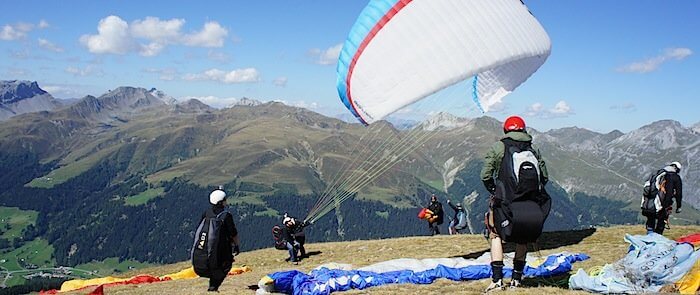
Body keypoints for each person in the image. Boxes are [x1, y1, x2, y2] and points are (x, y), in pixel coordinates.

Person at [480, 115, 550, 292]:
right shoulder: (532, 149)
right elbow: (545, 177)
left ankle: (497, 280)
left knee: (495, 234)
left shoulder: (499, 147)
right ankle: (516, 279)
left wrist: (495, 190)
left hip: (506, 200)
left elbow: (485, 175)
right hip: (530, 202)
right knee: (523, 238)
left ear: (506, 130)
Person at [196, 189, 241, 292]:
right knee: (225, 266)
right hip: (222, 248)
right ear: (221, 201)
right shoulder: (225, 215)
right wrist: (236, 246)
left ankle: (213, 284)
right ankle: (213, 286)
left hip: (205, 247)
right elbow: (233, 233)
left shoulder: (206, 213)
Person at [645, 161, 683, 234]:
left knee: (651, 219)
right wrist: (679, 206)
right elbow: (679, 193)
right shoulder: (675, 177)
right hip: (664, 202)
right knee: (661, 221)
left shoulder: (658, 174)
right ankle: (657, 238)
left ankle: (649, 236)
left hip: (651, 201)